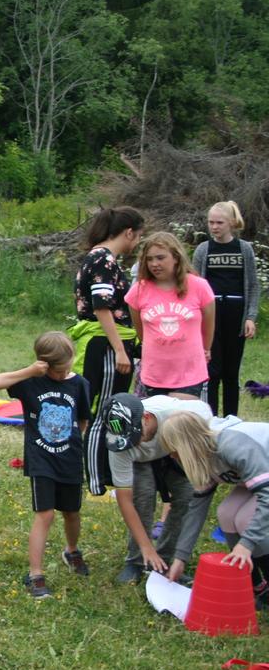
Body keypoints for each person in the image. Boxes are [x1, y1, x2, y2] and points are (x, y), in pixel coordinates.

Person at [0, 331, 92, 598]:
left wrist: (72, 443)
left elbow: (82, 420)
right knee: (44, 514)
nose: (61, 375)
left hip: (70, 459)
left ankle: (71, 551)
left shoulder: (79, 384)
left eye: (65, 369)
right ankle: (35, 574)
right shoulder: (31, 382)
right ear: (42, 364)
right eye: (56, 371)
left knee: (72, 512)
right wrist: (29, 371)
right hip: (41, 460)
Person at [69, 206, 144, 496]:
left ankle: (105, 474)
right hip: (106, 345)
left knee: (110, 409)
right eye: (137, 237)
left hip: (111, 342)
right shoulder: (103, 259)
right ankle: (96, 480)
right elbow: (102, 307)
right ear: (128, 233)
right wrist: (120, 351)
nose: (136, 243)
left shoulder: (101, 257)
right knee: (102, 411)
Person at [101, 393, 212, 584]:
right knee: (142, 499)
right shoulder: (119, 443)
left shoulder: (179, 415)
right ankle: (137, 560)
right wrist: (146, 546)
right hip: (139, 462)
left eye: (136, 436)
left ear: (146, 418)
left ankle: (166, 560)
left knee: (187, 497)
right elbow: (125, 500)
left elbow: (204, 412)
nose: (134, 443)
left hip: (172, 450)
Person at [160, 412, 269, 607]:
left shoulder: (232, 447)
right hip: (262, 477)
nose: (172, 455)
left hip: (266, 480)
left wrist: (246, 544)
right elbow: (196, 510)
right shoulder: (204, 458)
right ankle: (252, 584)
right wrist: (181, 557)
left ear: (187, 445)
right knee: (226, 513)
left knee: (245, 519)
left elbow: (267, 496)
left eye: (174, 449)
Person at [125, 231, 215, 400]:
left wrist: (205, 349)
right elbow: (142, 331)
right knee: (157, 422)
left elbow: (208, 324)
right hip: (154, 371)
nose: (154, 264)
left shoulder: (199, 286)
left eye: (160, 258)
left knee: (181, 422)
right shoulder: (138, 290)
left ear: (176, 257)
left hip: (189, 370)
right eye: (149, 259)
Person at [193, 201, 260, 416]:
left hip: (236, 312)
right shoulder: (204, 249)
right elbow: (195, 284)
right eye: (211, 222)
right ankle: (210, 418)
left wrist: (250, 316)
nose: (214, 227)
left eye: (219, 222)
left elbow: (252, 284)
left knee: (231, 372)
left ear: (231, 223)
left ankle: (231, 418)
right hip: (211, 313)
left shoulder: (244, 249)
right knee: (212, 370)